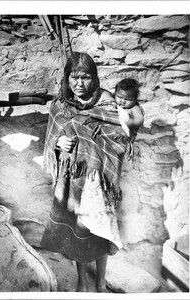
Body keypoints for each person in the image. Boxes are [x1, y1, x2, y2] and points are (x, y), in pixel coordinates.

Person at [41, 52, 129, 293]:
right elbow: (51, 139)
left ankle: (100, 282)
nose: (79, 84)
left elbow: (122, 138)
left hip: (99, 181)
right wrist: (60, 143)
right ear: (67, 78)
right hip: (73, 180)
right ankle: (82, 281)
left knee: (100, 231)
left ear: (95, 78)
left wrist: (94, 144)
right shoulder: (60, 105)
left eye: (86, 78)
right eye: (74, 77)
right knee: (77, 229)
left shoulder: (108, 102)